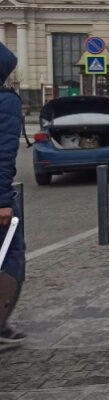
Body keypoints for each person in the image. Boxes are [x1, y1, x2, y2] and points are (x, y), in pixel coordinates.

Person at [0, 42, 25, 349]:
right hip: (1, 197)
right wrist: (3, 199)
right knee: (11, 257)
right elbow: (4, 153)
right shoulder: (6, 102)